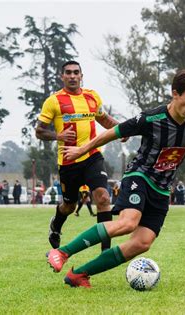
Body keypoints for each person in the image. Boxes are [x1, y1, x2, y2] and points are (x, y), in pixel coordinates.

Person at [46, 69, 185, 288]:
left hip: (162, 187)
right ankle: (62, 252)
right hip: (140, 176)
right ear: (175, 93)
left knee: (142, 243)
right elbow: (113, 132)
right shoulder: (151, 118)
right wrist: (82, 150)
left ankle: (79, 275)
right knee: (128, 223)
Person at [35, 60, 121, 251]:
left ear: (81, 76)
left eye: (76, 72)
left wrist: (122, 130)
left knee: (103, 198)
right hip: (68, 161)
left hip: (92, 155)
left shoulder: (92, 97)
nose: (72, 76)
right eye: (68, 73)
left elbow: (104, 119)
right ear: (62, 76)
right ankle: (56, 225)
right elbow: (39, 131)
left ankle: (105, 250)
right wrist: (58, 135)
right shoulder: (54, 101)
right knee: (69, 206)